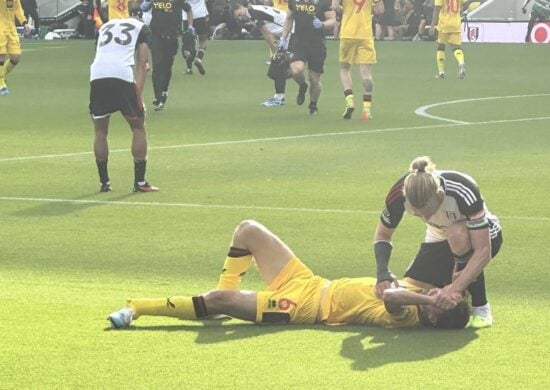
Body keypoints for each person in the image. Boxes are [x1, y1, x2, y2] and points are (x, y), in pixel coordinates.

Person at [108, 219, 470, 329]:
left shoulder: (409, 315)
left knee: (218, 300)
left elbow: (389, 296)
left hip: (302, 307)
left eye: (442, 301)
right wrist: (452, 286)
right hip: (311, 281)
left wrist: (427, 297)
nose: (440, 293)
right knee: (248, 230)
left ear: (436, 316)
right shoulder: (421, 288)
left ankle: (137, 308)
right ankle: (223, 302)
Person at [373, 156, 503, 328]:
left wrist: (455, 288)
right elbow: (382, 234)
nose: (426, 218)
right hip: (438, 236)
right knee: (417, 287)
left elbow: (483, 250)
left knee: (457, 234)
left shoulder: (462, 189)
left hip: (480, 234)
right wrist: (382, 272)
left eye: (428, 211)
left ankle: (481, 307)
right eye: (418, 214)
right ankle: (461, 288)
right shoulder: (398, 194)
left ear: (440, 194)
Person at [89, 17, 158, 193]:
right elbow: (142, 63)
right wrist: (138, 96)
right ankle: (140, 182)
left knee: (100, 130)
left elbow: (100, 52)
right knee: (138, 127)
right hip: (121, 74)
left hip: (97, 74)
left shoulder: (105, 26)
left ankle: (104, 183)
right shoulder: (142, 28)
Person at [279, 0, 336, 115]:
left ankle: (313, 104)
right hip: (299, 42)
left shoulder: (323, 2)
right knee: (296, 70)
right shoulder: (294, 1)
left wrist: (322, 24)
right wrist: (283, 38)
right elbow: (289, 18)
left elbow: (332, 20)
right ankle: (302, 85)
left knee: (314, 80)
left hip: (317, 45)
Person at [331, 0, 384, 120]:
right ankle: (366, 110)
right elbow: (380, 10)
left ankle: (349, 101)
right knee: (366, 73)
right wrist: (368, 9)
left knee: (345, 68)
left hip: (347, 33)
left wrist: (345, 10)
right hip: (365, 34)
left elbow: (334, 7)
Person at [233, 2, 290, 107]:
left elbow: (267, 34)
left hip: (291, 32)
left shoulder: (252, 13)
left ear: (241, 7)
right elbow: (273, 26)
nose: (240, 18)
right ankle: (296, 88)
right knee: (281, 67)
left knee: (278, 66)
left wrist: (276, 51)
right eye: (238, 18)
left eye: (239, 15)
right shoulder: (253, 10)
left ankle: (279, 98)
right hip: (288, 32)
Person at [141, 0, 194, 111]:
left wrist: (190, 26)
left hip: (172, 36)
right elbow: (143, 8)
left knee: (167, 66)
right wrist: (146, 3)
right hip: (156, 35)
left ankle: (164, 90)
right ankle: (158, 97)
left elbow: (188, 10)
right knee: (157, 65)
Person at [429, 0, 472, 79]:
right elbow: (466, 4)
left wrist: (432, 26)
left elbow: (436, 9)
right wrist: (461, 10)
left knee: (441, 47)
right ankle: (461, 62)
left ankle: (441, 72)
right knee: (456, 48)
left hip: (444, 24)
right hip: (456, 24)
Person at [0, 0, 31, 95]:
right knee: (1, 54)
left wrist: (24, 22)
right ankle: (1, 84)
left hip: (11, 29)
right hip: (1, 29)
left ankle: (2, 75)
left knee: (16, 56)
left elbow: (18, 9)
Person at [181, 0, 208, 75]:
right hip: (200, 15)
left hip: (187, 16)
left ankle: (189, 69)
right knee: (202, 40)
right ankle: (199, 59)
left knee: (188, 43)